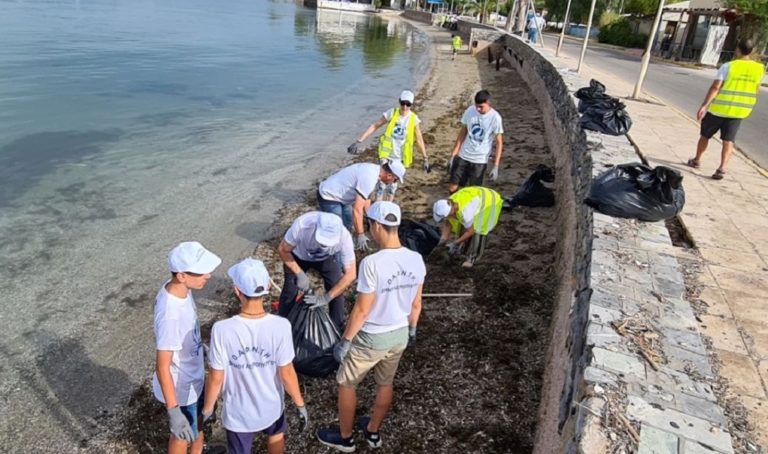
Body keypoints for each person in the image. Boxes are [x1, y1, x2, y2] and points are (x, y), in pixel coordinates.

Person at [316, 201, 425, 452]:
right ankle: (373, 432)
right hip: (399, 334)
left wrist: (345, 341)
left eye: (368, 225)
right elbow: (416, 303)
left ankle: (345, 438)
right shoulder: (416, 259)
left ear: (376, 226)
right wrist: (412, 330)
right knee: (385, 383)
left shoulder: (372, 263)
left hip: (372, 337)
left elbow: (362, 309)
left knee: (347, 383)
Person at [202, 258, 308, 454]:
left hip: (238, 412)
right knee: (276, 437)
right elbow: (286, 373)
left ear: (237, 291)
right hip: (272, 405)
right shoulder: (281, 326)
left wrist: (208, 411)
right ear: (268, 286)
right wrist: (300, 404)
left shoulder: (222, 330)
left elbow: (216, 377)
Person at [153, 241, 222, 454]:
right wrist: (173, 411)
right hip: (181, 387)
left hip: (194, 375)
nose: (208, 275)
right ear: (182, 275)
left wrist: (201, 348)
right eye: (201, 272)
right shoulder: (170, 313)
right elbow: (162, 366)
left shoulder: (181, 289)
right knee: (181, 435)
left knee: (197, 424)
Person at [687, 39, 765, 180]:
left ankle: (697, 159)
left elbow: (716, 87)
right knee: (729, 140)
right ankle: (722, 168)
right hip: (739, 111)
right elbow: (756, 89)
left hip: (719, 109)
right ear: (752, 51)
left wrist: (704, 105)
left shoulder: (728, 66)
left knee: (705, 135)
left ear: (738, 49)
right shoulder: (759, 68)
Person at [277, 211, 357, 329]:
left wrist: (327, 297)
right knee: (290, 290)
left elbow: (351, 274)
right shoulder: (302, 226)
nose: (324, 245)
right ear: (316, 228)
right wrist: (299, 273)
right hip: (298, 256)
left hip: (326, 259)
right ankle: (284, 325)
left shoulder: (344, 237)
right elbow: (283, 249)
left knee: (337, 287)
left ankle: (336, 327)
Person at [347, 89, 430, 190]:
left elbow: (419, 139)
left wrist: (425, 158)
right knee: (381, 184)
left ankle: (388, 204)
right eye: (403, 103)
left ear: (411, 104)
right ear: (399, 101)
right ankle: (378, 203)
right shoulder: (392, 113)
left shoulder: (414, 119)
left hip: (400, 157)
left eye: (408, 104)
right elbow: (375, 126)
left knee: (392, 187)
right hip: (386, 154)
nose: (404, 107)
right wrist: (359, 141)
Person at [317, 160, 406, 251]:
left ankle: (345, 244)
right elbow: (357, 209)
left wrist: (371, 218)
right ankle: (331, 250)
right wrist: (361, 234)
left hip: (343, 197)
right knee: (336, 227)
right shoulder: (370, 177)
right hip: (328, 195)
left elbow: (366, 199)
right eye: (395, 180)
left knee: (348, 223)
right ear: (389, 175)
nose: (394, 183)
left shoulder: (375, 172)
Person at [447, 90, 504, 193]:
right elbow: (462, 133)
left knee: (473, 191)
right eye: (476, 106)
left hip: (480, 160)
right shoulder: (470, 111)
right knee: (453, 185)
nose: (478, 109)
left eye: (481, 107)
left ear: (488, 103)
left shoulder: (495, 118)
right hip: (463, 155)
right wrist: (453, 155)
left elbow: (499, 142)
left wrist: (496, 166)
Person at [433, 186, 503, 268]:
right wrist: (443, 240)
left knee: (480, 229)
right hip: (477, 196)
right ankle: (462, 250)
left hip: (490, 201)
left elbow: (471, 230)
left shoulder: (465, 212)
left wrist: (456, 243)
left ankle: (472, 258)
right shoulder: (449, 203)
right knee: (460, 225)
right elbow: (448, 222)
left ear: (450, 212)